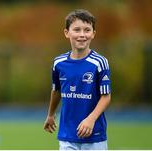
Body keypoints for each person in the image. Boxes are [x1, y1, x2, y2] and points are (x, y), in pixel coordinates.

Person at [44, 9, 111, 150]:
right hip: (67, 135)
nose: (82, 35)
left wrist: (90, 120)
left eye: (87, 30)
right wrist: (50, 115)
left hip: (94, 135)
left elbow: (106, 97)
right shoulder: (58, 63)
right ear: (67, 33)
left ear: (93, 34)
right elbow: (56, 90)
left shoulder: (100, 62)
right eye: (77, 30)